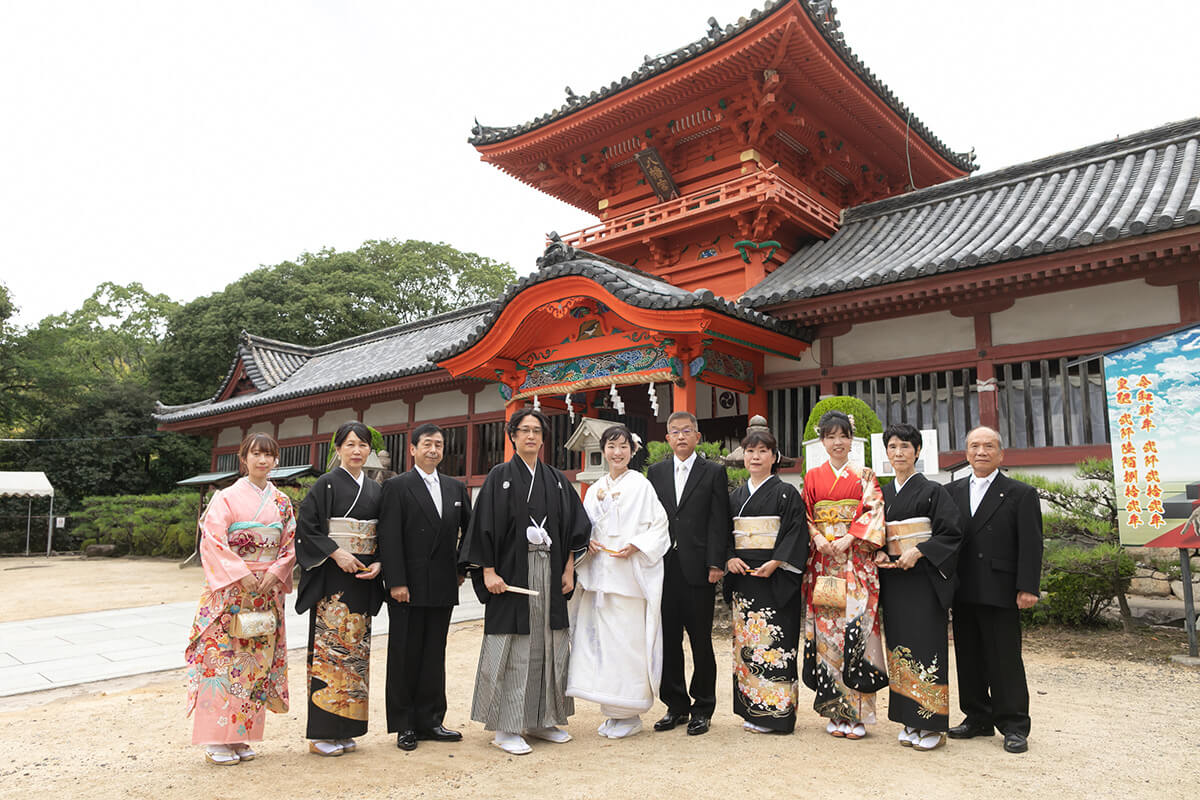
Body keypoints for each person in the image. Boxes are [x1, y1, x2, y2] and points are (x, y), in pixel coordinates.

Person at [459, 408, 590, 755]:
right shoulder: (498, 477)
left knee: (549, 645)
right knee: (513, 647)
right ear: (512, 436)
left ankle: (543, 718)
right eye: (524, 430)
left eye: (537, 431)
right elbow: (482, 527)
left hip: (550, 572)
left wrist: (567, 570)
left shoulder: (558, 480)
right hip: (511, 575)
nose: (531, 436)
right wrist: (488, 571)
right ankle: (506, 726)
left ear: (544, 439)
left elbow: (573, 528)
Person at [185, 432, 296, 765]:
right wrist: (240, 573)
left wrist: (275, 573)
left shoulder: (282, 502)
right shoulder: (225, 497)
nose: (262, 461)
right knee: (221, 661)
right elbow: (213, 540)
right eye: (256, 454)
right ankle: (214, 739)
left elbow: (289, 544)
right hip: (230, 591)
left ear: (276, 461)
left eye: (269, 455)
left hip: (265, 593)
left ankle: (241, 735)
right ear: (243, 458)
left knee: (254, 664)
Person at [567, 425, 670, 739]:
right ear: (603, 450)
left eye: (623, 446)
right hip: (601, 576)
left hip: (629, 576)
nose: (617, 452)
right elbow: (583, 527)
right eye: (611, 446)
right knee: (602, 646)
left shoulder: (641, 485)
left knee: (628, 645)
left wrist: (637, 545)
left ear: (632, 450)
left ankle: (630, 711)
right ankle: (612, 710)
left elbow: (659, 525)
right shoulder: (596, 487)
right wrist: (589, 543)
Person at [946, 426, 1043, 754]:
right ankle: (977, 717)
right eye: (975, 446)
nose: (981, 452)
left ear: (1001, 454)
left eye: (989, 446)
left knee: (1004, 659)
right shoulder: (953, 491)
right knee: (969, 657)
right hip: (963, 587)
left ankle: (1014, 724)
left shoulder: (1020, 492)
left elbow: (1031, 544)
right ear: (967, 452)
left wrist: (1027, 587)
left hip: (1001, 588)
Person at [378, 423, 472, 751]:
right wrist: (397, 582)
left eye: (439, 445)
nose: (433, 450)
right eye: (427, 444)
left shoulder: (455, 487)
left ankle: (432, 720)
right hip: (409, 585)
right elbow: (389, 537)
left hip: (443, 583)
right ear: (413, 449)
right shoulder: (398, 487)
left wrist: (461, 568)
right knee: (405, 654)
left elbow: (469, 532)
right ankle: (404, 724)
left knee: (435, 653)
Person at [295, 421, 384, 757]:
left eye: (362, 445)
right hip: (332, 579)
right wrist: (335, 552)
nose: (357, 451)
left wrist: (380, 562)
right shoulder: (326, 484)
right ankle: (321, 734)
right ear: (338, 450)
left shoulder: (376, 489)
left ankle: (347, 729)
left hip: (362, 577)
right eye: (349, 445)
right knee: (329, 651)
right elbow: (307, 527)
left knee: (356, 654)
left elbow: (383, 531)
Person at [801, 410, 888, 739]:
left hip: (856, 565)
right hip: (825, 566)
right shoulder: (812, 477)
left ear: (852, 440)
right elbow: (807, 514)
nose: (838, 443)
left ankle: (860, 713)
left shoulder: (864, 475)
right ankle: (835, 709)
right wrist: (819, 538)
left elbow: (874, 510)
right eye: (830, 436)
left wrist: (851, 537)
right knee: (829, 636)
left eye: (843, 436)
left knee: (857, 633)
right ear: (822, 441)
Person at [877, 423, 963, 751]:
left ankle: (931, 723)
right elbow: (873, 532)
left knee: (927, 647)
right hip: (895, 580)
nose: (899, 453)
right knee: (899, 648)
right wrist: (881, 552)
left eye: (905, 447)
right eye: (893, 447)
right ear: (887, 452)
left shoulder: (933, 491)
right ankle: (908, 719)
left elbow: (951, 533)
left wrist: (920, 550)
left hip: (924, 580)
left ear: (917, 451)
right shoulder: (882, 494)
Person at [646, 411, 731, 736]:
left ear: (697, 436)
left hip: (699, 569)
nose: (681, 436)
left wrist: (716, 563)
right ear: (667, 438)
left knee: (700, 640)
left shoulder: (712, 472)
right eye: (674, 431)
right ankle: (676, 705)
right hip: (663, 567)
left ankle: (703, 706)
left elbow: (718, 520)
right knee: (668, 640)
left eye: (687, 431)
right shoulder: (655, 472)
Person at [724, 427, 807, 734]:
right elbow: (721, 532)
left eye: (762, 451)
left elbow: (796, 531)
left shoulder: (787, 493)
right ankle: (753, 710)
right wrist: (728, 556)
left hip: (775, 579)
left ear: (774, 457)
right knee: (747, 646)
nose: (755, 457)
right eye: (750, 451)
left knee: (776, 644)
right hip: (744, 579)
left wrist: (776, 561)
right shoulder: (734, 497)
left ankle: (779, 714)